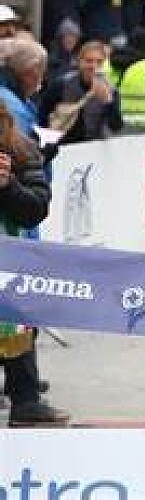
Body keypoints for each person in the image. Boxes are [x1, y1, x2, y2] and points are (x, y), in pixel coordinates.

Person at [0, 101, 69, 427]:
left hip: (10, 262)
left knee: (16, 325)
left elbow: (35, 209)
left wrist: (8, 185)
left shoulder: (24, 152)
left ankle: (26, 402)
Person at [37, 40, 123, 144]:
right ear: (79, 61)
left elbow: (116, 126)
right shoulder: (62, 85)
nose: (93, 66)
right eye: (89, 61)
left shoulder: (111, 91)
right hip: (63, 144)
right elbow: (42, 115)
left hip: (93, 145)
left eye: (99, 62)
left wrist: (108, 102)